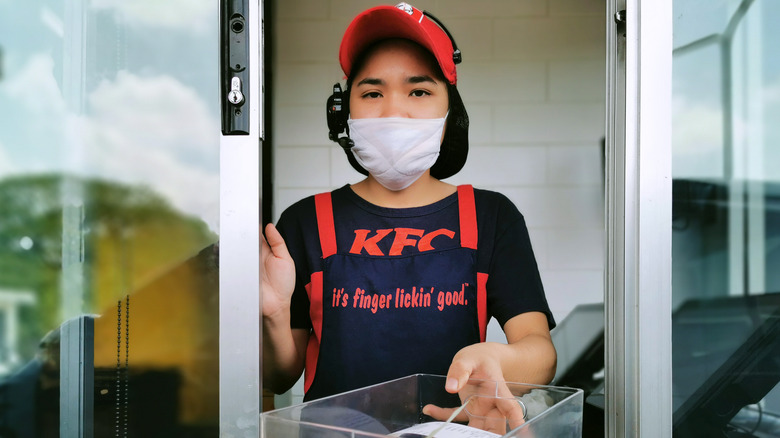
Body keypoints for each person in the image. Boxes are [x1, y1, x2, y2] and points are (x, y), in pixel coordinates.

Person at [261, 2, 556, 412]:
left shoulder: (492, 217)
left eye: (419, 91)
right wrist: (274, 315)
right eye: (372, 92)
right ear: (345, 112)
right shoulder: (304, 222)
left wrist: (501, 361)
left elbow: (539, 352)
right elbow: (277, 377)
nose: (394, 111)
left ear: (450, 112)